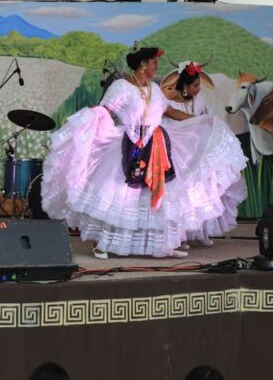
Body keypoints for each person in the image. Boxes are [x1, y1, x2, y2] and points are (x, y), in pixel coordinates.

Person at [43, 43, 194, 259]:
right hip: (129, 146)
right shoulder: (122, 87)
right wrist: (85, 125)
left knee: (152, 195)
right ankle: (103, 244)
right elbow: (105, 110)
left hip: (156, 148)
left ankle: (161, 245)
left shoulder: (156, 90)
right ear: (143, 65)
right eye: (154, 63)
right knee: (118, 194)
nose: (156, 67)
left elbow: (171, 113)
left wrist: (203, 121)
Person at [162, 61, 248, 248]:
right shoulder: (169, 103)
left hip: (197, 151)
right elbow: (171, 122)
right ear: (184, 86)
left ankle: (201, 231)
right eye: (195, 86)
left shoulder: (199, 101)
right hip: (179, 153)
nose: (198, 89)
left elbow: (209, 120)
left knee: (203, 189)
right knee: (183, 193)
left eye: (199, 85)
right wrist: (199, 121)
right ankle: (182, 235)